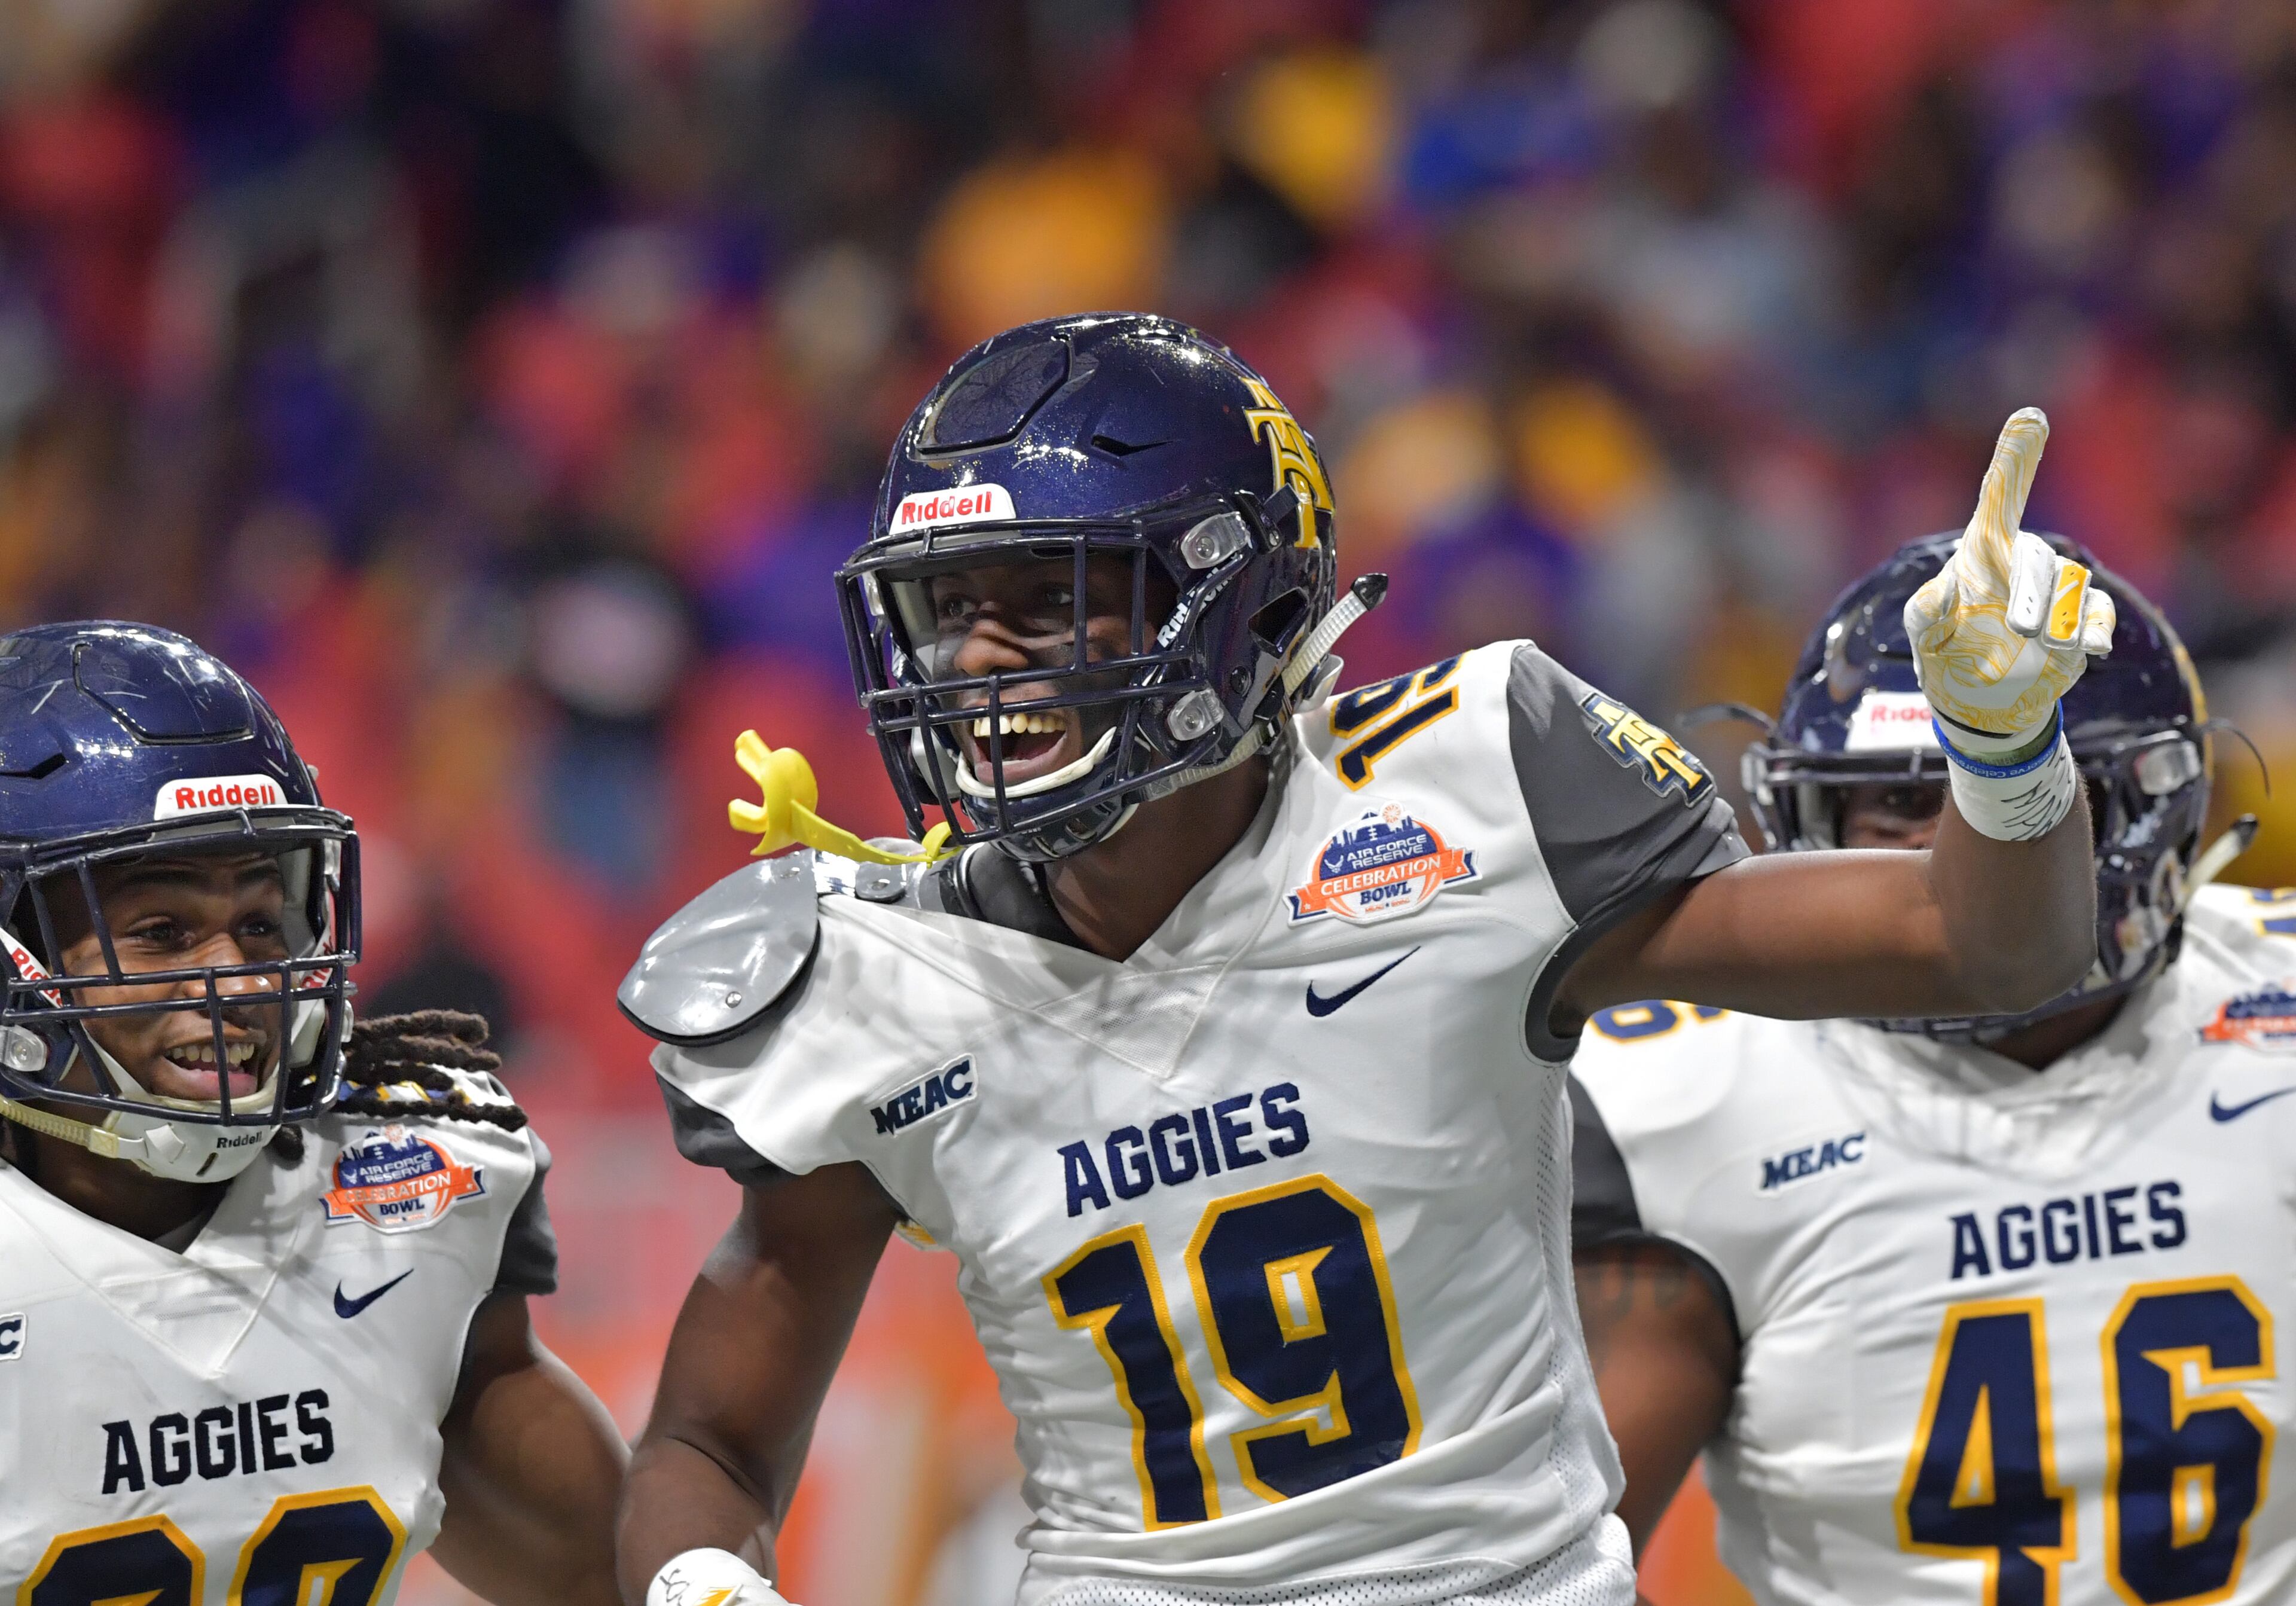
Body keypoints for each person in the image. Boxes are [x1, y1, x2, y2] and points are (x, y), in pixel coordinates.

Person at [613, 313, 2114, 1606]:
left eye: (1050, 597)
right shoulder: (878, 974)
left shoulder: (1467, 790)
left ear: (1241, 598)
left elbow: (1981, 941)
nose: (986, 660)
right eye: (953, 611)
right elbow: (704, 1443)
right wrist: (701, 1578)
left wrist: (2002, 750)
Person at [1569, 535, 2291, 1605]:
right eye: (1901, 806)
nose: (1960, 852)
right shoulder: (1689, 1103)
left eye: (2035, 793)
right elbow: (1552, 1562)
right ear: (1811, 823)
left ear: (2151, 810)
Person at [0, 622, 626, 1604]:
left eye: (259, 921)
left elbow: (608, 1575)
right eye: (161, 932)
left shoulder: (415, 1181)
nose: (234, 977)